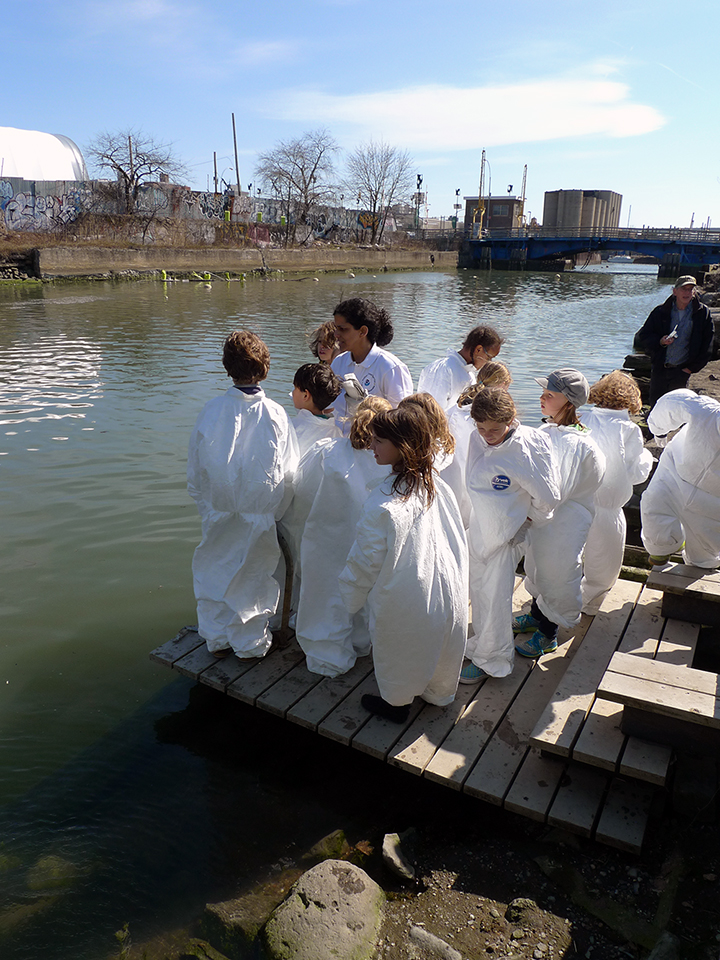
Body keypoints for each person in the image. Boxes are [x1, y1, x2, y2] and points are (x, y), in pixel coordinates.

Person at [338, 405, 469, 722]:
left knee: (399, 643)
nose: (371, 446)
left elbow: (366, 560)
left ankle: (396, 703)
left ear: (402, 447)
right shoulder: (436, 484)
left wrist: (349, 597)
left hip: (409, 591)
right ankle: (439, 693)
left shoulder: (383, 502)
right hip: (447, 587)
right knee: (441, 640)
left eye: (379, 440)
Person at [187, 331, 298, 658]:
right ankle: (249, 643)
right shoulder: (276, 414)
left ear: (227, 367)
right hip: (259, 513)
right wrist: (276, 512)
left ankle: (216, 637)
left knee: (214, 570)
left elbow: (195, 469)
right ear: (265, 368)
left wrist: (206, 507)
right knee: (254, 577)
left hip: (218, 510)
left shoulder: (211, 410)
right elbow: (290, 474)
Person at [461, 389, 560, 682]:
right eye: (481, 428)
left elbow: (548, 497)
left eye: (495, 429)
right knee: (478, 592)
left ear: (511, 419)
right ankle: (482, 643)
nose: (487, 435)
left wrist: (523, 524)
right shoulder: (476, 438)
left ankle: (492, 660)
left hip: (506, 537)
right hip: (480, 529)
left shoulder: (526, 448)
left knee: (494, 598)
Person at [295, 396, 392, 676]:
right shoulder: (388, 462)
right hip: (368, 542)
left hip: (327, 537)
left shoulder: (326, 452)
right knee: (363, 592)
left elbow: (302, 493)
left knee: (326, 594)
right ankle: (361, 643)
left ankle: (327, 654)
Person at [515, 369, 604, 659]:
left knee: (558, 573)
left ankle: (549, 633)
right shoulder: (547, 430)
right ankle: (537, 613)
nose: (542, 398)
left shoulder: (577, 445)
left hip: (564, 522)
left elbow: (555, 492)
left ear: (569, 403)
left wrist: (526, 513)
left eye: (549, 395)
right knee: (537, 566)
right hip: (543, 520)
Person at [580, 371, 653, 613]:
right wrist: (647, 457)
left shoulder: (582, 418)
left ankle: (556, 601)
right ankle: (589, 605)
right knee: (603, 563)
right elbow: (636, 473)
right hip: (608, 507)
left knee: (570, 555)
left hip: (577, 502)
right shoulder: (629, 430)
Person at [640, 389, 720, 568]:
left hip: (711, 497)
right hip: (674, 473)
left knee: (707, 544)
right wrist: (658, 430)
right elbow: (673, 404)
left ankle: (701, 567)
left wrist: (658, 430)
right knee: (654, 507)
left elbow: (673, 403)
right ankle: (660, 549)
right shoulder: (706, 411)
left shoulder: (705, 411)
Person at [331, 297, 413, 428]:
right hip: (340, 444)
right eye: (336, 328)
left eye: (343, 329)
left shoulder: (390, 367)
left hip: (373, 447)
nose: (336, 334)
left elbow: (403, 419)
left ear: (363, 331)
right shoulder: (338, 363)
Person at [635, 275, 714, 408]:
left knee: (677, 410)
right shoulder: (660, 311)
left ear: (694, 292)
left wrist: (690, 369)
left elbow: (708, 345)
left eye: (690, 289)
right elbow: (644, 336)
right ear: (674, 291)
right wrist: (660, 341)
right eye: (684, 289)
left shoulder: (702, 313)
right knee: (656, 407)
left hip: (682, 371)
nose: (687, 293)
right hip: (660, 369)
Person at [417, 325, 504, 411]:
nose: (488, 363)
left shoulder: (468, 373)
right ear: (478, 350)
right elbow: (432, 411)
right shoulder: (446, 369)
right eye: (489, 358)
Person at [290, 362, 341, 455]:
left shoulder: (293, 427)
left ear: (305, 395)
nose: (292, 393)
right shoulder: (336, 432)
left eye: (295, 388)